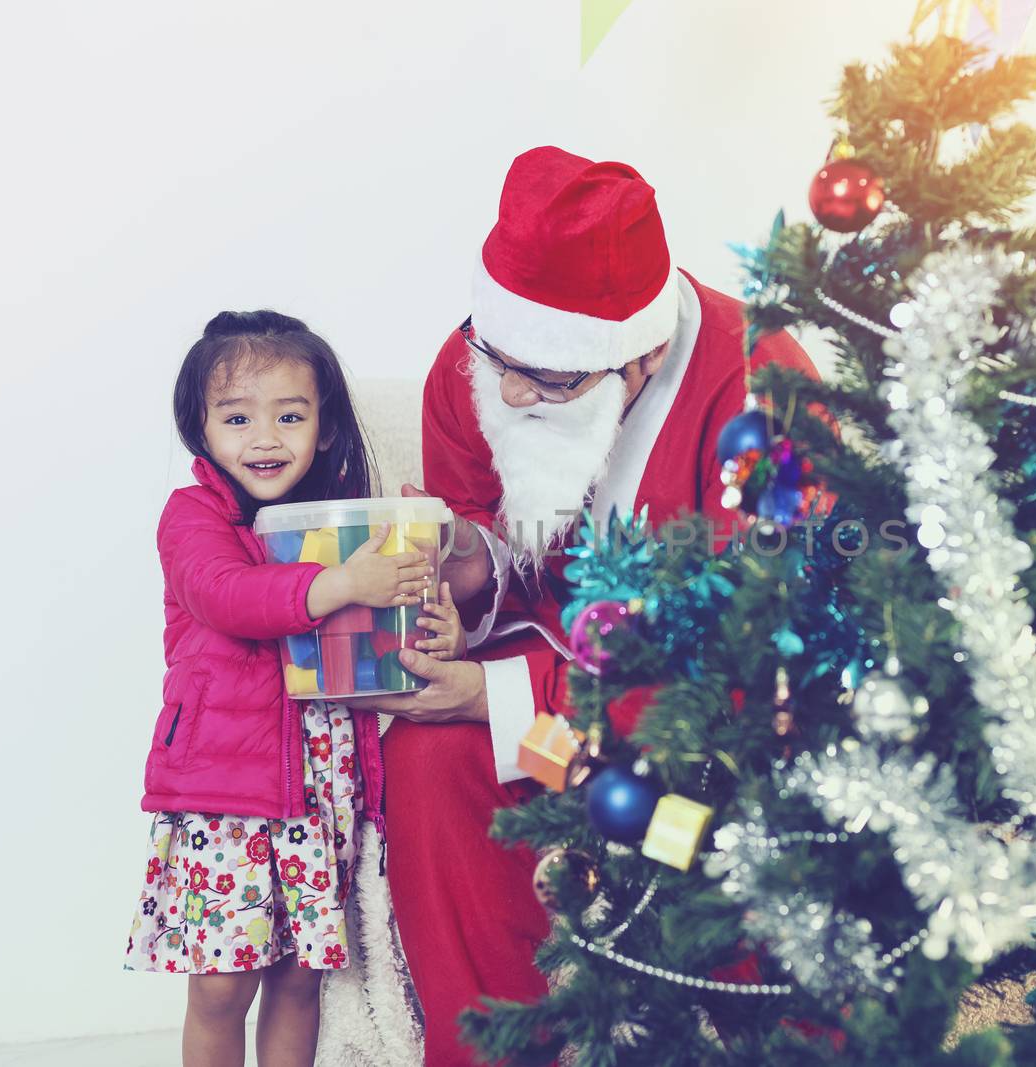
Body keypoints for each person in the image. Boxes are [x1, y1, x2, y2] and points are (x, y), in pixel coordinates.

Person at [347, 146, 818, 1065]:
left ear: (637, 358)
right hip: (556, 727)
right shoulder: (475, 364)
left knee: (750, 885)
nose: (512, 392)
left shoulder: (764, 391)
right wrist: (465, 563)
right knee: (432, 758)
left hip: (702, 747)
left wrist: (494, 692)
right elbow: (480, 521)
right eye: (500, 359)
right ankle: (490, 1048)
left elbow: (748, 652)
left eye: (552, 381)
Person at [125, 310, 462, 1067]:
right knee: (219, 985)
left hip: (319, 787)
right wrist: (345, 581)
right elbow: (229, 597)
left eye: (290, 415)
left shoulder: (340, 521)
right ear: (200, 426)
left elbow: (383, 640)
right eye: (237, 417)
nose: (265, 437)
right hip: (227, 791)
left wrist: (429, 605)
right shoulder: (194, 516)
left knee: (300, 975)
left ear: (325, 425)